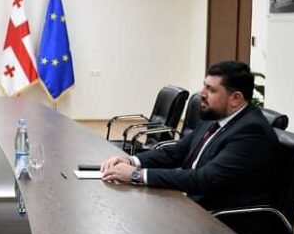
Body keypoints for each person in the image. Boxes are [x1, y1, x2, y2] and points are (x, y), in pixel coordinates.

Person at [100, 61, 278, 212]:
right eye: (204, 85)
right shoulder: (215, 117)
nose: (201, 93)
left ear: (235, 99)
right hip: (190, 201)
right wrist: (131, 161)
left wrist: (136, 175)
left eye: (211, 89)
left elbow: (205, 178)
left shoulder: (252, 131)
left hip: (219, 218)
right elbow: (176, 152)